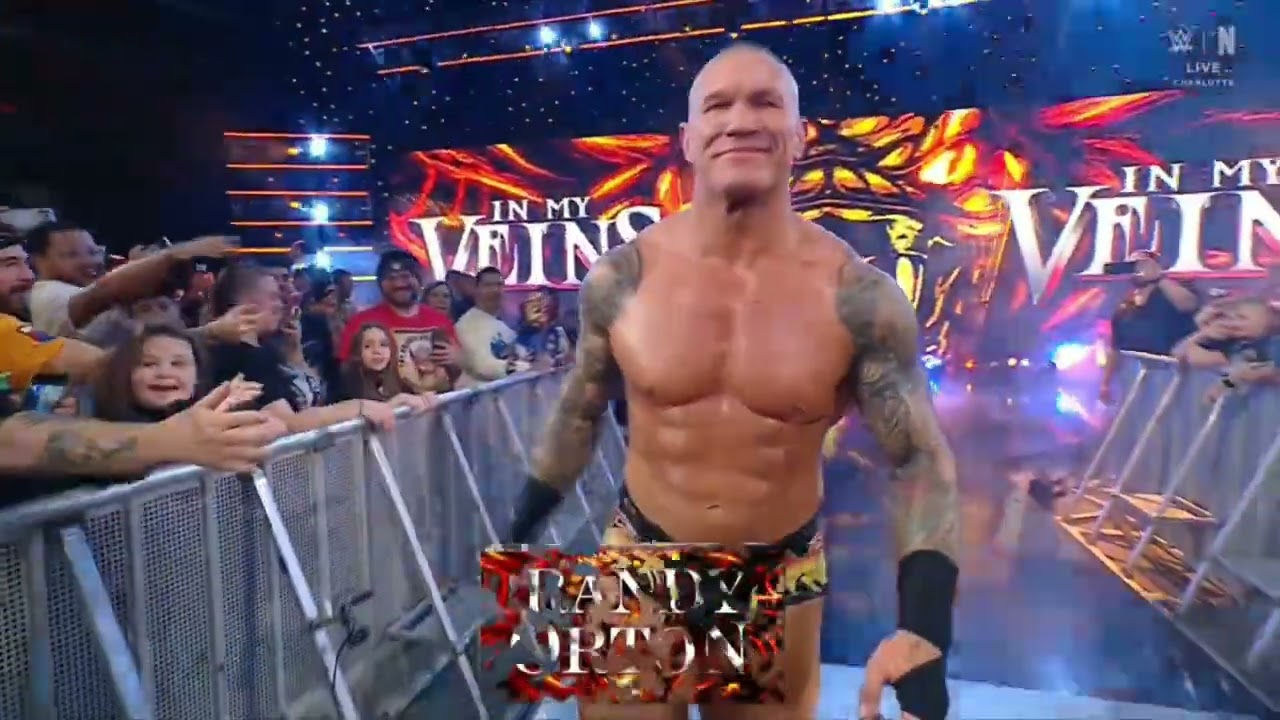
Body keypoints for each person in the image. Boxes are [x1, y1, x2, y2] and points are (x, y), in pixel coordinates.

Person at [504, 43, 959, 720]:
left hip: (776, 575)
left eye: (765, 103)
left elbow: (918, 458)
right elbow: (579, 410)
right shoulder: (621, 279)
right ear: (688, 140)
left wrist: (926, 627)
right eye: (718, 106)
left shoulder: (859, 297)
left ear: (800, 137)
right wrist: (520, 527)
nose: (740, 120)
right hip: (641, 558)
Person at [338, 250, 461, 393]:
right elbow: (346, 374)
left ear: (418, 280)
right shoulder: (361, 322)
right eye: (391, 278)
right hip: (385, 406)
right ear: (380, 284)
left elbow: (455, 370)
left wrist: (458, 361)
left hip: (439, 404)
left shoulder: (440, 321)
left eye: (405, 276)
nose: (399, 284)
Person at [1100, 249, 1199, 404]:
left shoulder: (1172, 293)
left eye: (1142, 264)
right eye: (1133, 265)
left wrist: (1159, 277)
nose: (1138, 269)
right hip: (1135, 379)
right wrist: (1106, 383)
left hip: (1173, 377)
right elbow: (1115, 348)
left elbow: (1189, 304)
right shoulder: (1124, 307)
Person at [456, 266, 530, 388]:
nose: (494, 290)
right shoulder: (468, 324)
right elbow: (482, 365)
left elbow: (520, 353)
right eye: (488, 285)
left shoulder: (504, 324)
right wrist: (527, 368)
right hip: (479, 397)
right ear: (476, 290)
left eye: (499, 285)